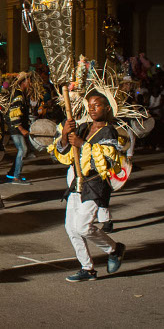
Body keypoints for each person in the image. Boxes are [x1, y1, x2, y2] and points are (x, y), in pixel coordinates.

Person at [50, 89, 125, 282]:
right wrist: (66, 135)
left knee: (83, 227)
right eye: (89, 106)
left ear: (107, 108)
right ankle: (87, 268)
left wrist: (83, 144)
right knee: (71, 228)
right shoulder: (82, 127)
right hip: (76, 183)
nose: (92, 109)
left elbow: (106, 161)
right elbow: (65, 154)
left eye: (97, 105)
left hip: (94, 185)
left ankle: (115, 249)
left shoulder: (109, 131)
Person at [7, 72, 33, 185]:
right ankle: (16, 177)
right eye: (29, 81)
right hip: (16, 128)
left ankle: (13, 173)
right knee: (23, 150)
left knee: (22, 150)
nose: (30, 83)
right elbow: (14, 113)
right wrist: (21, 128)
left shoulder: (21, 94)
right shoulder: (18, 95)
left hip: (17, 127)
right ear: (23, 82)